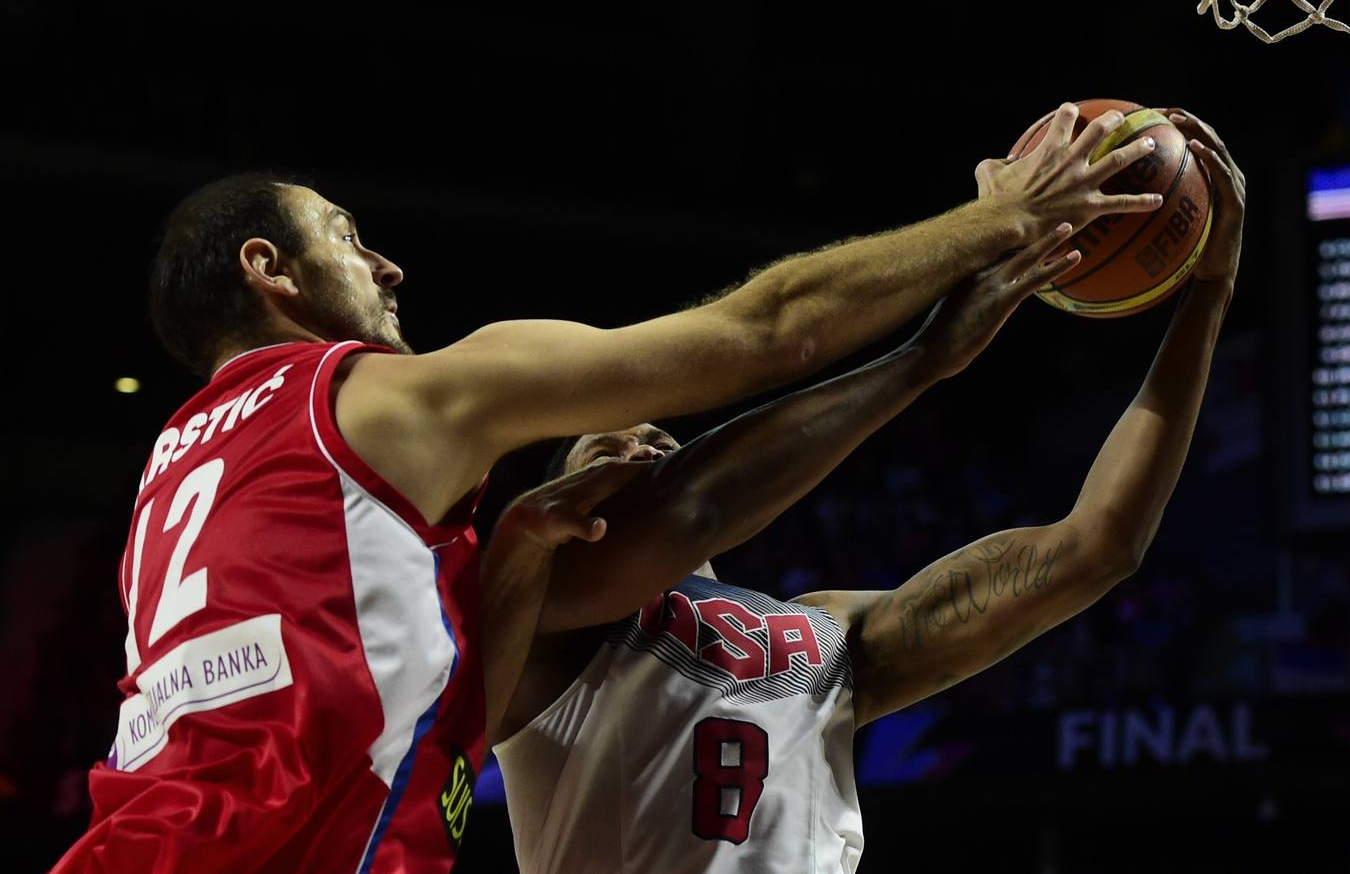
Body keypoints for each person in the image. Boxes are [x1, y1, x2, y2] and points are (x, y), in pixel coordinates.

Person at [53, 104, 1158, 873]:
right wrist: (1002, 220)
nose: (387, 266)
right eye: (347, 236)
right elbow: (768, 332)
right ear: (268, 269)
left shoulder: (181, 462)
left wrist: (519, 553)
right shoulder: (383, 398)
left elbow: (419, 709)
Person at [493, 109, 1244, 873]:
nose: (642, 446)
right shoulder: (534, 611)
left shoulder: (824, 637)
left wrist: (1209, 294)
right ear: (561, 508)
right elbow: (693, 506)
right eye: (604, 449)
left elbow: (1097, 545)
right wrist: (924, 356)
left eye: (659, 440)